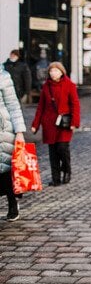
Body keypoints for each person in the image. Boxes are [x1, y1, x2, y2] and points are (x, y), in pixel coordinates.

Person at [31, 62, 80, 186]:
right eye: (51, 71)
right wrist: (35, 124)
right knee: (53, 152)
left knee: (62, 148)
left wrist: (74, 122)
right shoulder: (46, 86)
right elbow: (40, 107)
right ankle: (55, 178)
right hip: (49, 124)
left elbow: (75, 105)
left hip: (64, 123)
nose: (53, 73)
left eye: (56, 71)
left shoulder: (69, 85)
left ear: (61, 72)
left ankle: (67, 170)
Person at [0, 66, 26, 221]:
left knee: (6, 171)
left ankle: (12, 202)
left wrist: (20, 132)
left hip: (4, 131)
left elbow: (14, 106)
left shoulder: (3, 76)